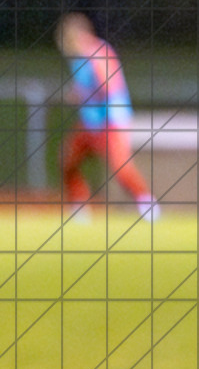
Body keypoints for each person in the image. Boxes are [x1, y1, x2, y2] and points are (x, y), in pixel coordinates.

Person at [56, 12, 160, 221]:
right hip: (90, 121)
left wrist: (84, 94)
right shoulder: (78, 59)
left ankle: (147, 203)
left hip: (111, 120)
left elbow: (108, 86)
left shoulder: (96, 52)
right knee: (68, 160)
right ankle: (79, 207)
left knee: (121, 166)